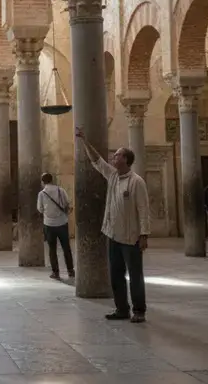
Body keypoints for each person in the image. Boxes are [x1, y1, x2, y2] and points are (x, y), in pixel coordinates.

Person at [76, 127, 149, 324]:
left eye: (117, 155)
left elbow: (143, 209)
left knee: (135, 275)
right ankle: (121, 309)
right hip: (113, 235)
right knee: (116, 274)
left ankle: (139, 310)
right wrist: (84, 140)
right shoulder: (113, 176)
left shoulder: (137, 182)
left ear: (125, 160)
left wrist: (144, 234)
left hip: (131, 237)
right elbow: (96, 161)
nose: (113, 157)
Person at [37, 172, 74, 280]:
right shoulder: (60, 190)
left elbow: (40, 208)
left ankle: (55, 272)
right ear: (52, 180)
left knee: (52, 249)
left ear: (43, 182)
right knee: (66, 247)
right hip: (62, 222)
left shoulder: (42, 194)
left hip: (49, 224)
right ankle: (70, 270)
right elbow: (67, 203)